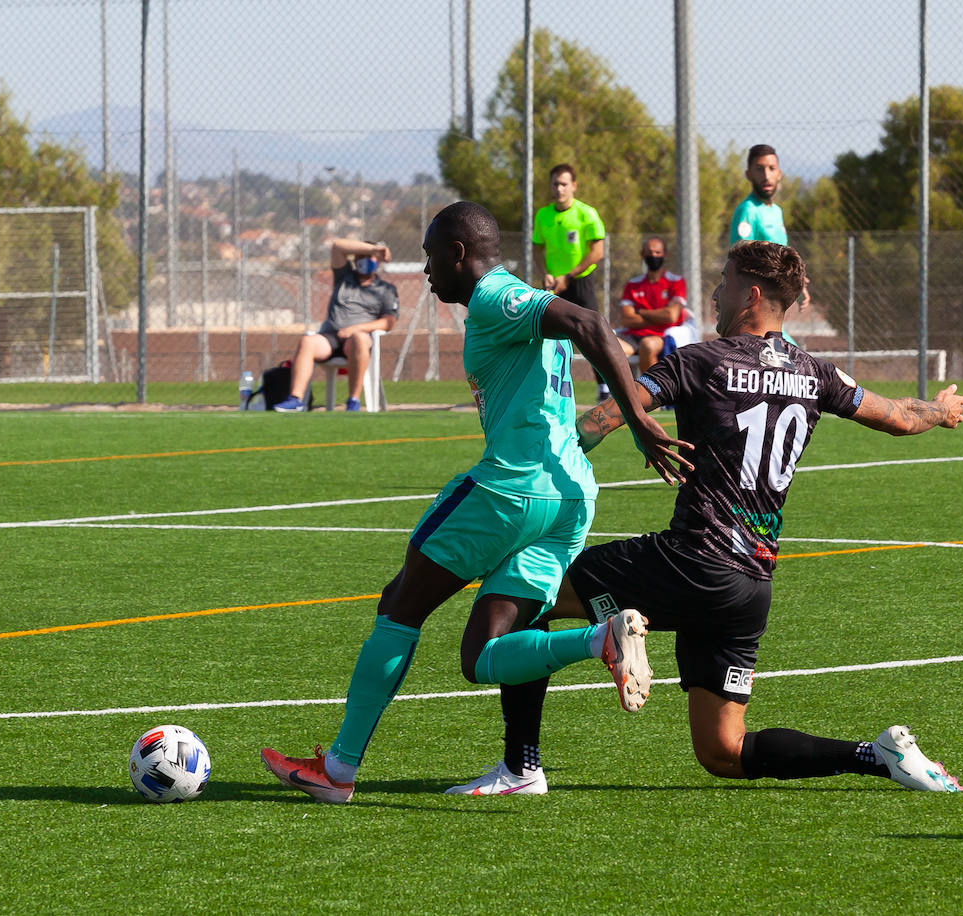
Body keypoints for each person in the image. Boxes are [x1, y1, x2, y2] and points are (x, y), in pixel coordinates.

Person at [445, 240, 963, 797]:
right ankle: (878, 755)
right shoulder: (816, 373)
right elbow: (897, 417)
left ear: (752, 294)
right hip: (747, 587)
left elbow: (606, 416)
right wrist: (941, 410)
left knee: (527, 594)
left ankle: (522, 768)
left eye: (723, 280)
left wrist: (551, 460)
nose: (714, 293)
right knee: (724, 752)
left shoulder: (701, 360)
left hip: (687, 563)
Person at [261, 201, 689, 803]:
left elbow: (592, 325)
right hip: (569, 500)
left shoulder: (494, 296)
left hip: (507, 491)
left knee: (399, 603)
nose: (429, 272)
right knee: (482, 653)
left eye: (434, 257)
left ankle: (338, 770)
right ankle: (600, 640)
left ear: (460, 253)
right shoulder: (514, 302)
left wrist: (641, 423)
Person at [273, 239, 399, 413]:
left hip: (357, 341)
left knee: (359, 339)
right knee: (308, 341)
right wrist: (375, 249)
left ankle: (353, 401)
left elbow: (388, 322)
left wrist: (356, 329)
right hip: (330, 337)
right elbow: (337, 246)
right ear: (354, 260)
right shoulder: (344, 278)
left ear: (378, 262)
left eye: (371, 257)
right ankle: (296, 399)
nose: (367, 260)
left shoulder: (386, 289)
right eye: (362, 257)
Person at [533, 164, 610, 400]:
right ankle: (547, 387)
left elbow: (597, 251)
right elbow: (537, 247)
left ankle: (604, 387)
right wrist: (545, 272)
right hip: (554, 285)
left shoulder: (586, 213)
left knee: (592, 333)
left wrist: (570, 275)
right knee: (546, 336)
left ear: (574, 186)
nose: (559, 188)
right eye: (555, 183)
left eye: (564, 184)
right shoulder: (543, 215)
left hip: (580, 282)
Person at [730, 143, 810, 328]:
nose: (766, 175)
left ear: (779, 173)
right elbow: (741, 254)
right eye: (759, 169)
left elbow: (780, 257)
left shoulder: (776, 212)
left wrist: (797, 281)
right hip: (754, 312)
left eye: (771, 168)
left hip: (773, 309)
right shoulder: (747, 210)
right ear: (748, 174)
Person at [617, 235, 686, 371]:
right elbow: (626, 320)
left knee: (647, 346)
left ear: (665, 254)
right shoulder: (633, 284)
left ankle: (650, 391)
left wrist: (640, 312)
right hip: (633, 337)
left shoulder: (676, 282)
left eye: (657, 253)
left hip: (661, 336)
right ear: (642, 255)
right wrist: (660, 317)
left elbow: (671, 316)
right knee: (606, 345)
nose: (653, 256)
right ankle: (610, 391)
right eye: (649, 253)